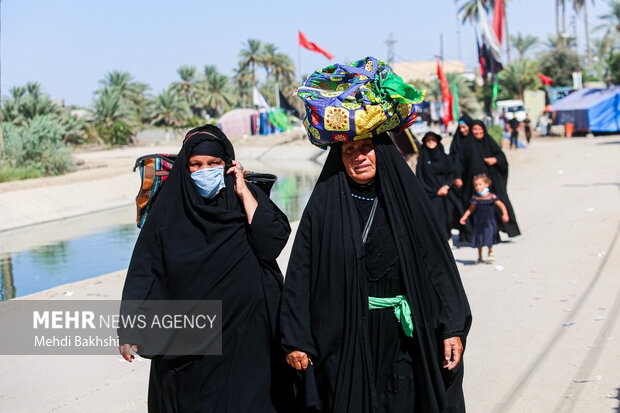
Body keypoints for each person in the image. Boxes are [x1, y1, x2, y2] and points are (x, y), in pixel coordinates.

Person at [280, 134, 472, 413]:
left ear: (382, 151)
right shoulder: (323, 208)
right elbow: (301, 275)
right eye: (349, 150)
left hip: (405, 336)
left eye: (366, 148)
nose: (359, 157)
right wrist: (296, 339)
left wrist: (452, 327)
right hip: (345, 334)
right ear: (338, 157)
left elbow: (438, 268)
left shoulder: (407, 202)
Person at [119, 125, 292, 412]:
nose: (205, 170)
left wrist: (244, 191)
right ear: (185, 168)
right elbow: (143, 268)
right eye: (196, 165)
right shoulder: (168, 211)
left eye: (214, 164)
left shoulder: (244, 199)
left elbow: (272, 240)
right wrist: (128, 328)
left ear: (228, 165)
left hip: (246, 335)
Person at [454, 120, 520, 242]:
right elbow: (459, 162)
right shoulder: (467, 144)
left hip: (491, 182)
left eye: (480, 129)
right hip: (472, 183)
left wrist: (495, 160)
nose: (477, 132)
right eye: (475, 129)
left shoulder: (489, 142)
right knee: (475, 208)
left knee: (495, 206)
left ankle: (497, 234)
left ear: (484, 129)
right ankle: (475, 236)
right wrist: (458, 177)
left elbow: (501, 157)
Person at [416, 132, 462, 241]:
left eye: (433, 139)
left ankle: (447, 238)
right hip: (428, 193)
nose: (431, 141)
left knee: (447, 217)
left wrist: (446, 186)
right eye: (428, 140)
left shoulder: (445, 158)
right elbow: (419, 176)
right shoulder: (422, 159)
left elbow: (453, 173)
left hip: (444, 193)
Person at [459, 174, 509, 263]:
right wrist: (464, 217)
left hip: (489, 222)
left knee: (489, 237)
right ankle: (480, 256)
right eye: (476, 185)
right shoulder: (476, 198)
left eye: (480, 184)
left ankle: (490, 253)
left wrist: (505, 214)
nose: (477, 187)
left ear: (487, 184)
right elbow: (471, 209)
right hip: (479, 222)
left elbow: (501, 205)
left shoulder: (491, 196)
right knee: (479, 239)